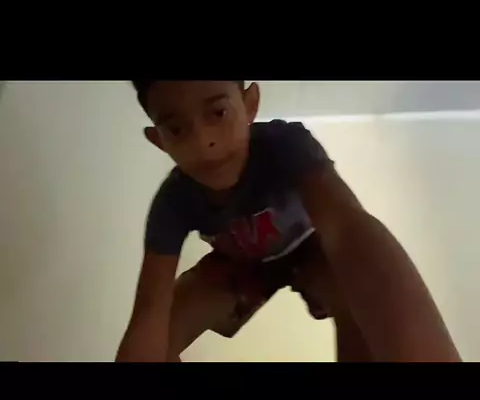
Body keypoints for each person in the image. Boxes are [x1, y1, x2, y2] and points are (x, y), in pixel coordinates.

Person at [116, 80, 461, 363]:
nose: (204, 142)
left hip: (312, 250)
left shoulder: (283, 146)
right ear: (159, 140)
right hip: (238, 266)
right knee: (163, 328)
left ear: (250, 105)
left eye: (218, 113)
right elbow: (150, 308)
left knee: (351, 284)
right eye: (177, 129)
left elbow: (347, 228)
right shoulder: (173, 200)